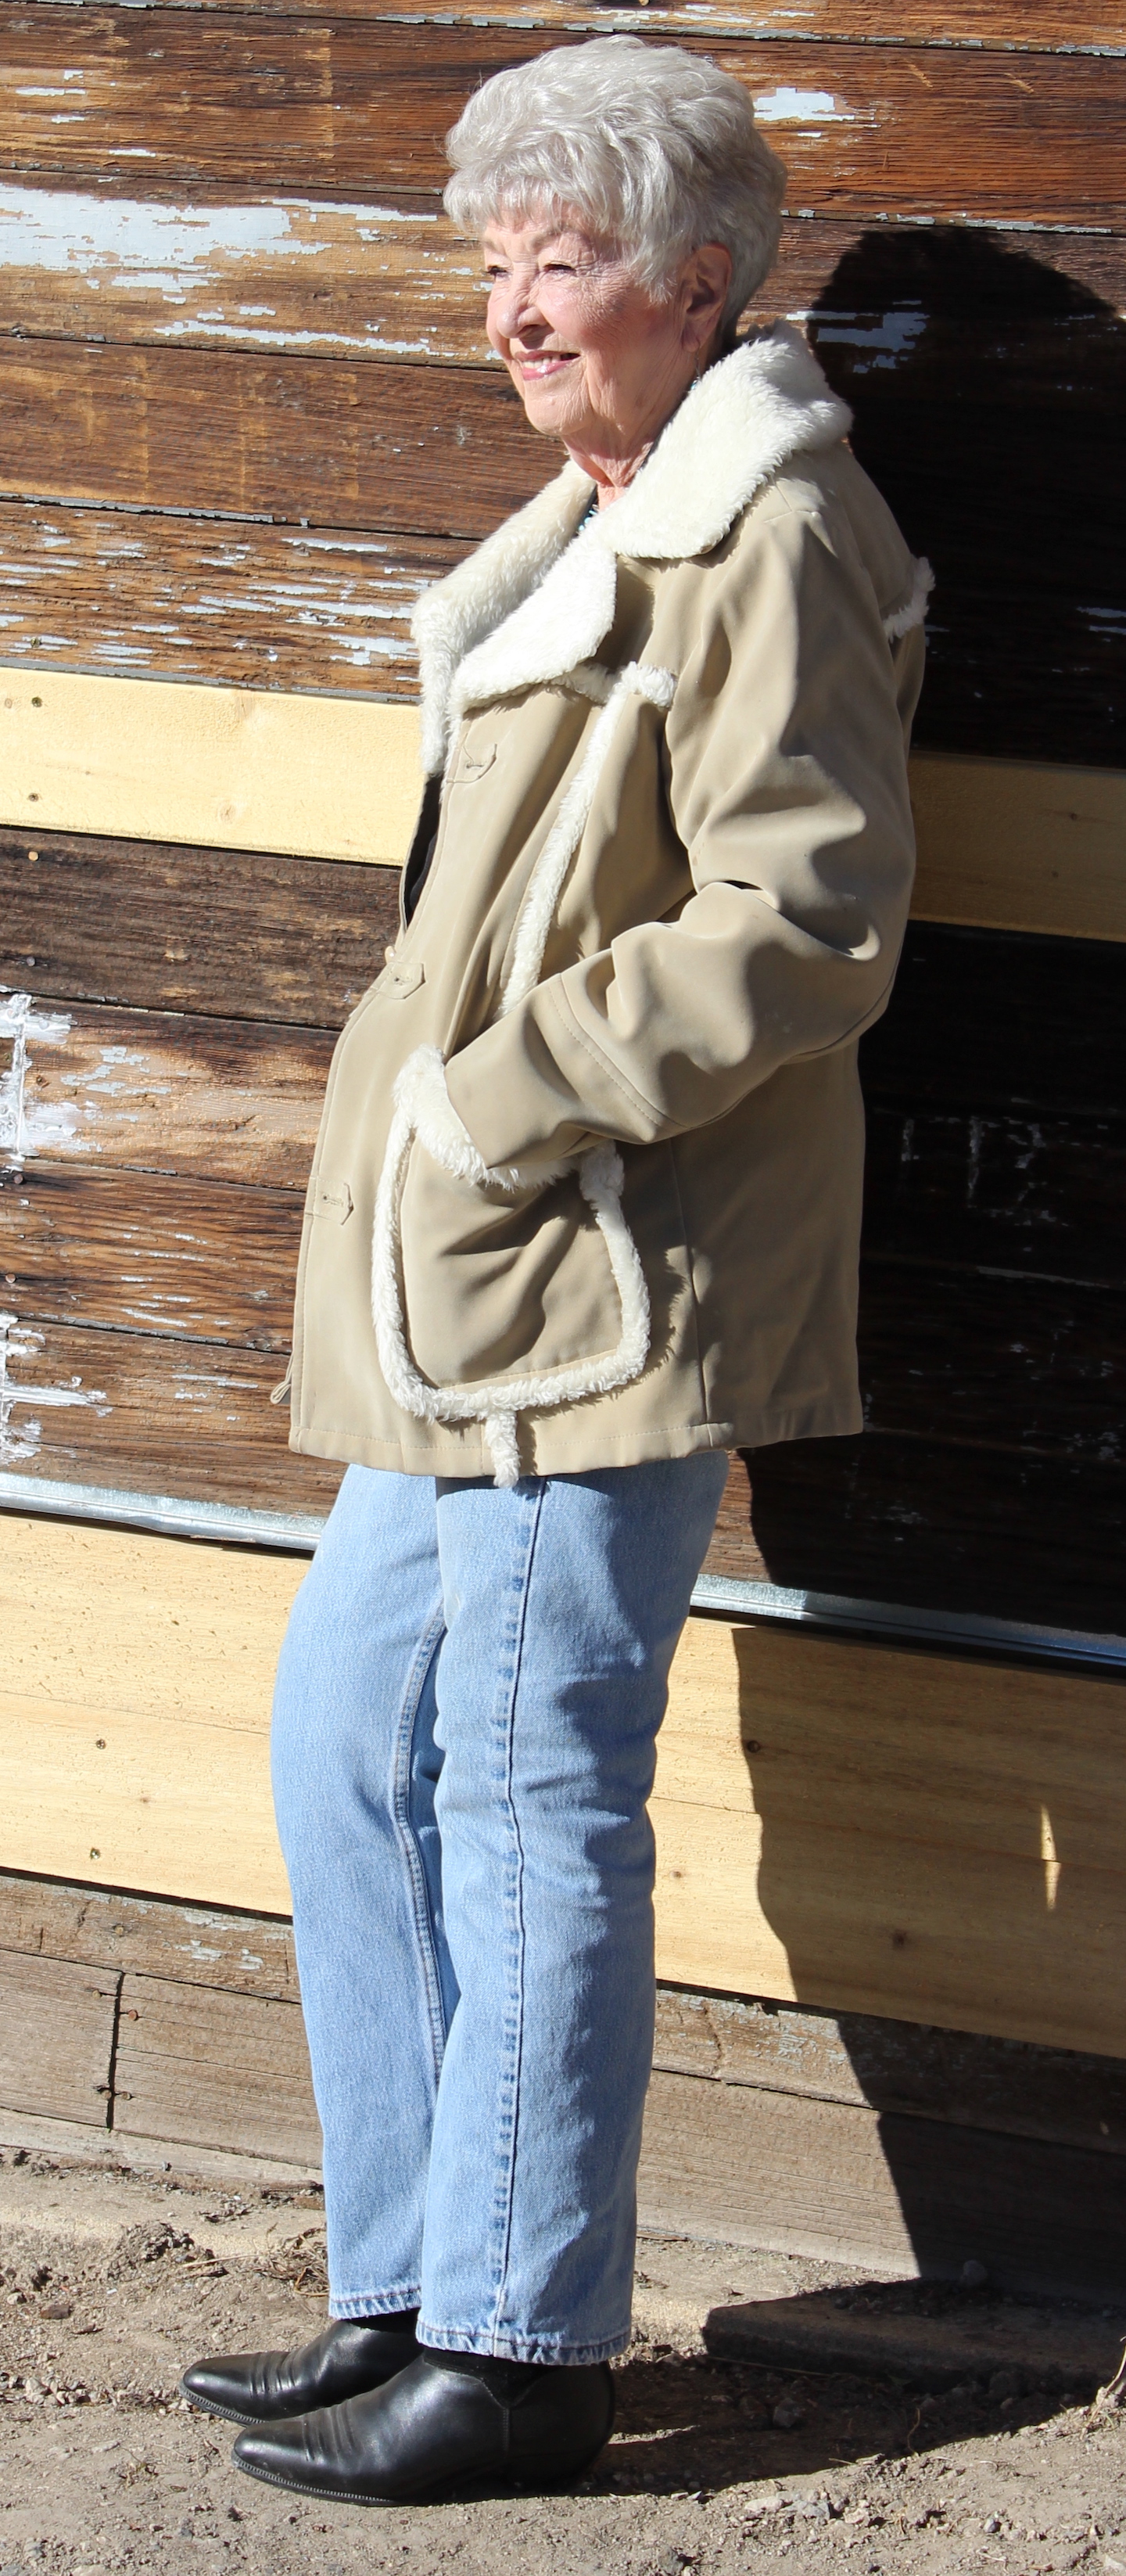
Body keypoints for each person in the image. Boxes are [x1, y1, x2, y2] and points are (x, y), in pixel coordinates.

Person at [182, 34, 928, 2506]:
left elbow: (807, 915)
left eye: (566, 257)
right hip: (474, 1293)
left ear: (697, 283)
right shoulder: (594, 530)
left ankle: (521, 2353)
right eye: (496, 261)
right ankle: (411, 2279)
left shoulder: (770, 530)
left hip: (601, 1268)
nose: (514, 307)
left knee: (525, 1789)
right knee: (348, 1742)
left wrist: (498, 1102)